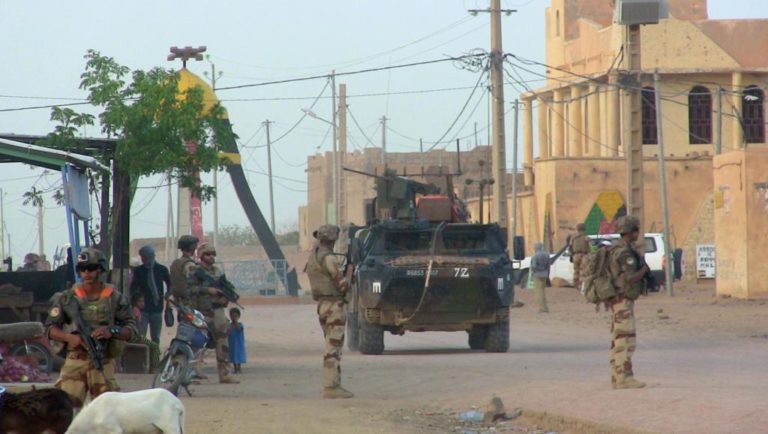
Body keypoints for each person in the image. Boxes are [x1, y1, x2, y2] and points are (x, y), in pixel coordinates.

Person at [45, 248, 138, 408]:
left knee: (107, 413)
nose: (86, 273)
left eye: (91, 268)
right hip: (75, 360)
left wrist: (111, 331)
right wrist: (70, 338)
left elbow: (132, 331)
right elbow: (50, 329)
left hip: (102, 361)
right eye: (82, 269)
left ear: (101, 269)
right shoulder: (67, 298)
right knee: (65, 411)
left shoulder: (114, 297)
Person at [305, 224, 353, 399]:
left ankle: (334, 384)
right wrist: (350, 272)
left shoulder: (314, 257)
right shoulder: (329, 258)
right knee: (333, 347)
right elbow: (342, 284)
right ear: (333, 239)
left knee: (331, 344)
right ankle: (331, 386)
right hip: (334, 306)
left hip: (323, 305)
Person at [187, 243, 239, 384]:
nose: (211, 257)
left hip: (217, 310)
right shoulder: (195, 271)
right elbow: (189, 289)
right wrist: (206, 290)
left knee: (222, 342)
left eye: (213, 254)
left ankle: (225, 374)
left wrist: (226, 297)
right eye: (208, 254)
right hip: (201, 312)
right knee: (197, 343)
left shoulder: (217, 272)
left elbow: (228, 287)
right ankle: (191, 373)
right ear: (201, 256)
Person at [607, 216, 648, 389]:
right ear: (630, 232)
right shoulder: (624, 252)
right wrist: (644, 270)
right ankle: (624, 376)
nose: (638, 233)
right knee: (626, 340)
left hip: (618, 299)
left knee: (618, 339)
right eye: (636, 230)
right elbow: (630, 277)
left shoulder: (618, 248)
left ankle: (617, 376)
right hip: (623, 299)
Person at [129, 245, 170, 345]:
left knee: (155, 336)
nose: (143, 259)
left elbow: (170, 283)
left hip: (157, 308)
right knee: (141, 336)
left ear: (151, 256)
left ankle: (154, 358)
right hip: (143, 309)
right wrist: (135, 304)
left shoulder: (162, 269)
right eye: (142, 257)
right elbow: (133, 288)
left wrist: (168, 294)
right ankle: (142, 357)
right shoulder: (139, 270)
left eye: (145, 257)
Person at [169, 235, 199, 307]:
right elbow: (195, 281)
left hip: (179, 301)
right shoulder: (189, 264)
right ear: (192, 247)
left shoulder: (175, 262)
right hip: (189, 302)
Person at [530, 242, 551, 313]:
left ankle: (542, 308)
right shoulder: (547, 255)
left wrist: (534, 272)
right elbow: (549, 266)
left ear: (536, 248)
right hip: (545, 274)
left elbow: (534, 266)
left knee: (539, 293)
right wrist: (547, 274)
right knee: (543, 292)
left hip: (537, 275)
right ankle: (545, 307)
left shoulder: (535, 256)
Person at [570, 223, 591, 289]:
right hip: (584, 255)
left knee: (576, 270)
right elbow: (591, 246)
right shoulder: (586, 237)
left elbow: (570, 246)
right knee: (583, 270)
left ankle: (576, 284)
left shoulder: (573, 237)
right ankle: (582, 285)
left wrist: (572, 255)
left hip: (575, 255)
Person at [228, 307, 246, 374]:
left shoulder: (240, 325)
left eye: (235, 316)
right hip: (232, 343)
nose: (233, 318)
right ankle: (235, 368)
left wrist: (235, 322)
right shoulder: (229, 325)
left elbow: (239, 329)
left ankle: (239, 368)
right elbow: (228, 332)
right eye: (232, 316)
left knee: (238, 356)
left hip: (239, 344)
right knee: (233, 356)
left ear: (239, 316)